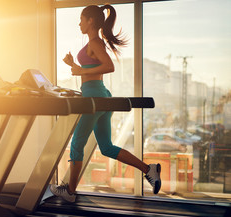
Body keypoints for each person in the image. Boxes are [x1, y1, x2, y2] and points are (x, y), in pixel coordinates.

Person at [50, 4, 161, 202]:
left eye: (81, 19)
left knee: (76, 144)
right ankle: (148, 169)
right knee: (107, 147)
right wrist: (74, 66)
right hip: (99, 95)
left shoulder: (95, 42)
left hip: (94, 97)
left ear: (90, 20)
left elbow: (108, 66)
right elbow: (94, 68)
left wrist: (80, 70)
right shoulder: (94, 43)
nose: (79, 24)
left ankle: (70, 192)